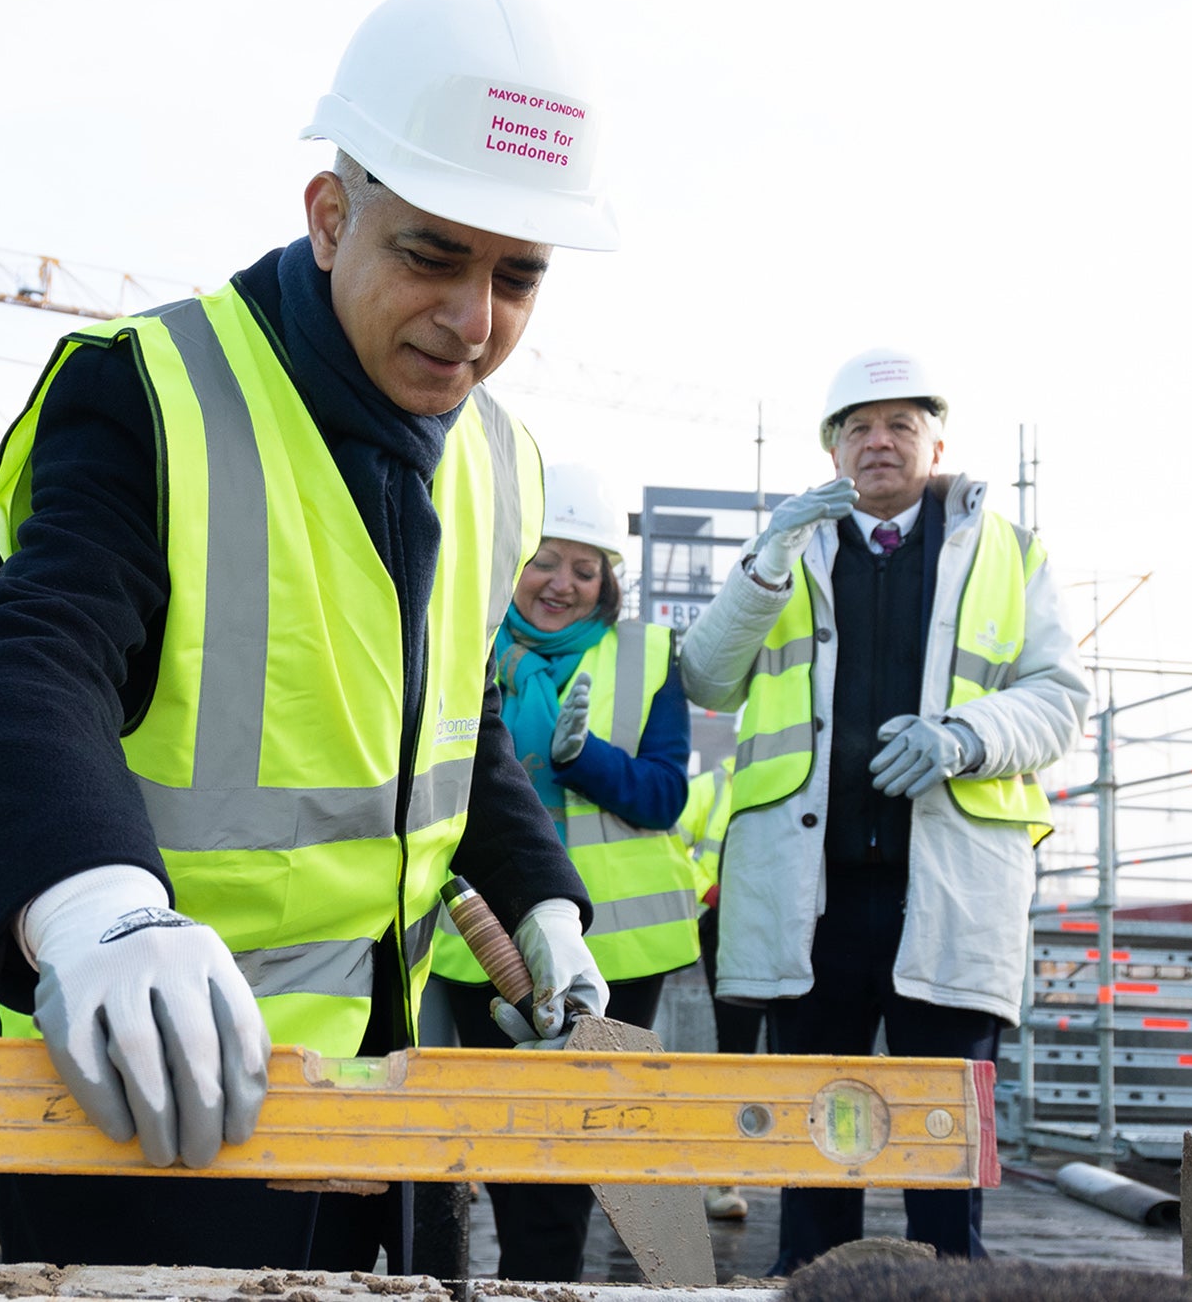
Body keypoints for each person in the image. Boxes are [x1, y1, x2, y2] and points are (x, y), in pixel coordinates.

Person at [0, 0, 618, 1272]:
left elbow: (448, 722)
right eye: (431, 254)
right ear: (329, 215)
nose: (473, 324)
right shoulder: (155, 391)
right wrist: (96, 909)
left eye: (516, 277)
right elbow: (28, 657)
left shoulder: (501, 462)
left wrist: (542, 905)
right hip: (157, 1097)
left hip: (388, 1103)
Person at [678, 348, 1088, 1272]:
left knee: (943, 1141)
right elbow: (707, 675)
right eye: (857, 426)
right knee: (821, 1133)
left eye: (900, 423)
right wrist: (764, 561)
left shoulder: (1007, 551)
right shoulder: (789, 549)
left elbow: (1061, 697)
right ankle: (815, 1287)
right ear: (831, 451)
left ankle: (950, 1292)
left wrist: (964, 736)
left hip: (945, 892)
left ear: (937, 442)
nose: (878, 442)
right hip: (812, 901)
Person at [428, 463, 694, 1282]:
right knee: (506, 1131)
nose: (562, 583)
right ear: (512, 561)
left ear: (609, 582)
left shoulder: (647, 654)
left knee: (583, 1135)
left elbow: (665, 793)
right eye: (546, 560)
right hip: (483, 937)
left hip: (617, 947)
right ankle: (509, 1280)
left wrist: (588, 760)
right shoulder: (456, 641)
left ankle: (548, 1283)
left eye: (587, 569)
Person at [672, 753, 753, 1221]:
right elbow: (674, 851)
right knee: (736, 1052)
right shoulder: (710, 787)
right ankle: (726, 1178)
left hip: (785, 921)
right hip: (725, 923)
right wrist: (708, 889)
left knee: (790, 1056)